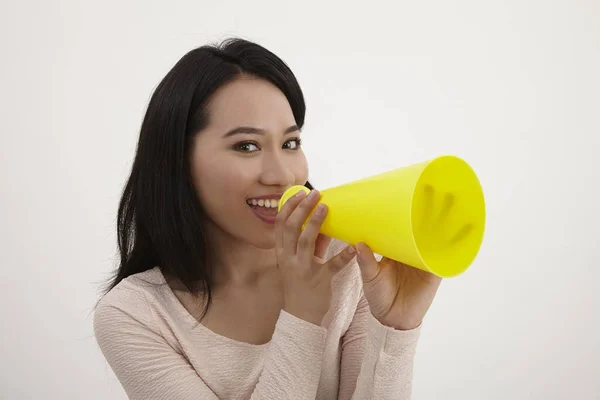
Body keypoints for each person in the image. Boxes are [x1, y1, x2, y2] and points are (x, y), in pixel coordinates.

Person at [93, 37, 442, 400]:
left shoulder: (347, 264)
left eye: (290, 143)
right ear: (177, 161)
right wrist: (302, 315)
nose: (281, 175)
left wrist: (396, 330)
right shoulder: (134, 316)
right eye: (247, 146)